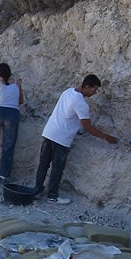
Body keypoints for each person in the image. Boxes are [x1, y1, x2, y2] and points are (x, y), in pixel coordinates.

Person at [33, 74, 118, 205]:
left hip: (49, 131)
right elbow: (87, 126)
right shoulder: (81, 103)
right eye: (94, 89)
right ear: (88, 86)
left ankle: (37, 191)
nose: (95, 93)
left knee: (43, 164)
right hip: (61, 138)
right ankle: (52, 196)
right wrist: (106, 137)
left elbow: (68, 114)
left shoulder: (68, 91)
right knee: (57, 168)